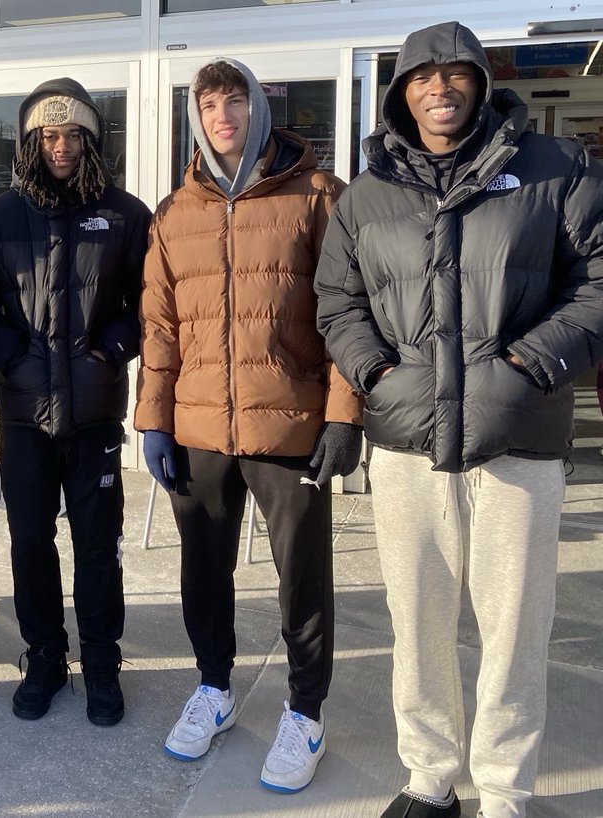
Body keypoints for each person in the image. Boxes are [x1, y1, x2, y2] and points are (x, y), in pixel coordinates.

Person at [314, 21, 603, 818]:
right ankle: (431, 776)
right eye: (420, 76)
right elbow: (337, 301)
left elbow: (597, 283)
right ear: (401, 92)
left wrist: (526, 367)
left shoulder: (557, 170)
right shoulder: (367, 194)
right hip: (408, 442)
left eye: (453, 73)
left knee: (514, 627)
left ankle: (505, 790)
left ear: (478, 80)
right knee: (419, 617)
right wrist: (376, 373)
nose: (437, 87)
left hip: (519, 437)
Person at [135, 58, 362, 793]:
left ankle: (305, 712)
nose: (222, 115)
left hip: (291, 425)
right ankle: (214, 688)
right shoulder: (177, 213)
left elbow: (346, 317)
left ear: (259, 108)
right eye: (208, 104)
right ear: (195, 119)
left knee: (302, 577)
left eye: (234, 100)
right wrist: (155, 422)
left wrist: (342, 416)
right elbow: (160, 329)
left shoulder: (318, 197)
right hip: (200, 427)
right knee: (204, 569)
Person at [0, 78, 151, 726]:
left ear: (93, 139)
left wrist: (111, 350)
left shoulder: (124, 214)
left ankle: (101, 663)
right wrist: (12, 356)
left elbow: (152, 302)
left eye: (73, 134)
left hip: (95, 417)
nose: (61, 146)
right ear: (30, 141)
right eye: (49, 134)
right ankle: (43, 656)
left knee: (98, 546)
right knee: (29, 542)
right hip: (24, 419)